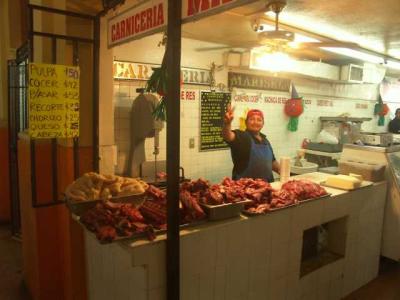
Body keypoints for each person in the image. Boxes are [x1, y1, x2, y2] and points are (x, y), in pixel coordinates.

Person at [222, 106, 280, 182]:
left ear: (263, 123)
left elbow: (272, 162)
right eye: (252, 119)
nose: (255, 122)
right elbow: (228, 136)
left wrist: (282, 171)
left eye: (259, 120)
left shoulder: (265, 141)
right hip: (244, 189)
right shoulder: (242, 137)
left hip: (267, 187)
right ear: (246, 122)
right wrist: (227, 123)